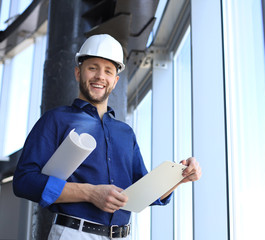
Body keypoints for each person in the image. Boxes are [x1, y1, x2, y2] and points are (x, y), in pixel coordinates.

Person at [13, 34, 202, 240]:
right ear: (78, 73)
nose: (100, 76)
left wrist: (180, 177)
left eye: (108, 71)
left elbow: (144, 193)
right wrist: (90, 193)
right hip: (74, 234)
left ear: (115, 81)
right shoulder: (55, 120)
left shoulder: (125, 133)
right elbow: (24, 181)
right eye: (92, 68)